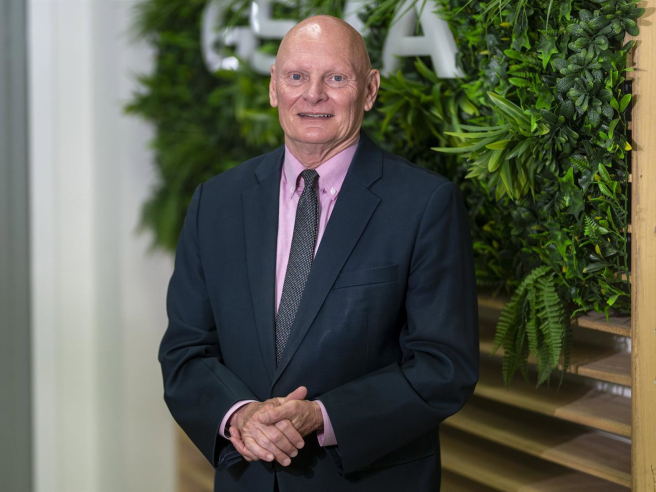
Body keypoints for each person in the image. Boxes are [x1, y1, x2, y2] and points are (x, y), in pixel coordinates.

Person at [158, 14, 479, 492]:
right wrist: (240, 415)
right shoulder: (216, 202)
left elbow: (444, 367)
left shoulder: (425, 204)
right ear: (274, 87)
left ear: (369, 90)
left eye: (336, 78)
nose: (313, 95)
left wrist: (322, 416)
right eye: (296, 76)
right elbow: (185, 351)